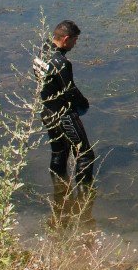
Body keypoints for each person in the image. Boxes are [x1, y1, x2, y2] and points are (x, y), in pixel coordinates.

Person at [37, 20, 95, 186]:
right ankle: (84, 198)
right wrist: (84, 104)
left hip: (47, 111)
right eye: (75, 40)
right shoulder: (61, 62)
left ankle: (60, 191)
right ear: (66, 39)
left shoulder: (43, 51)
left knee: (59, 152)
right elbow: (69, 90)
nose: (75, 44)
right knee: (85, 155)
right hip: (63, 114)